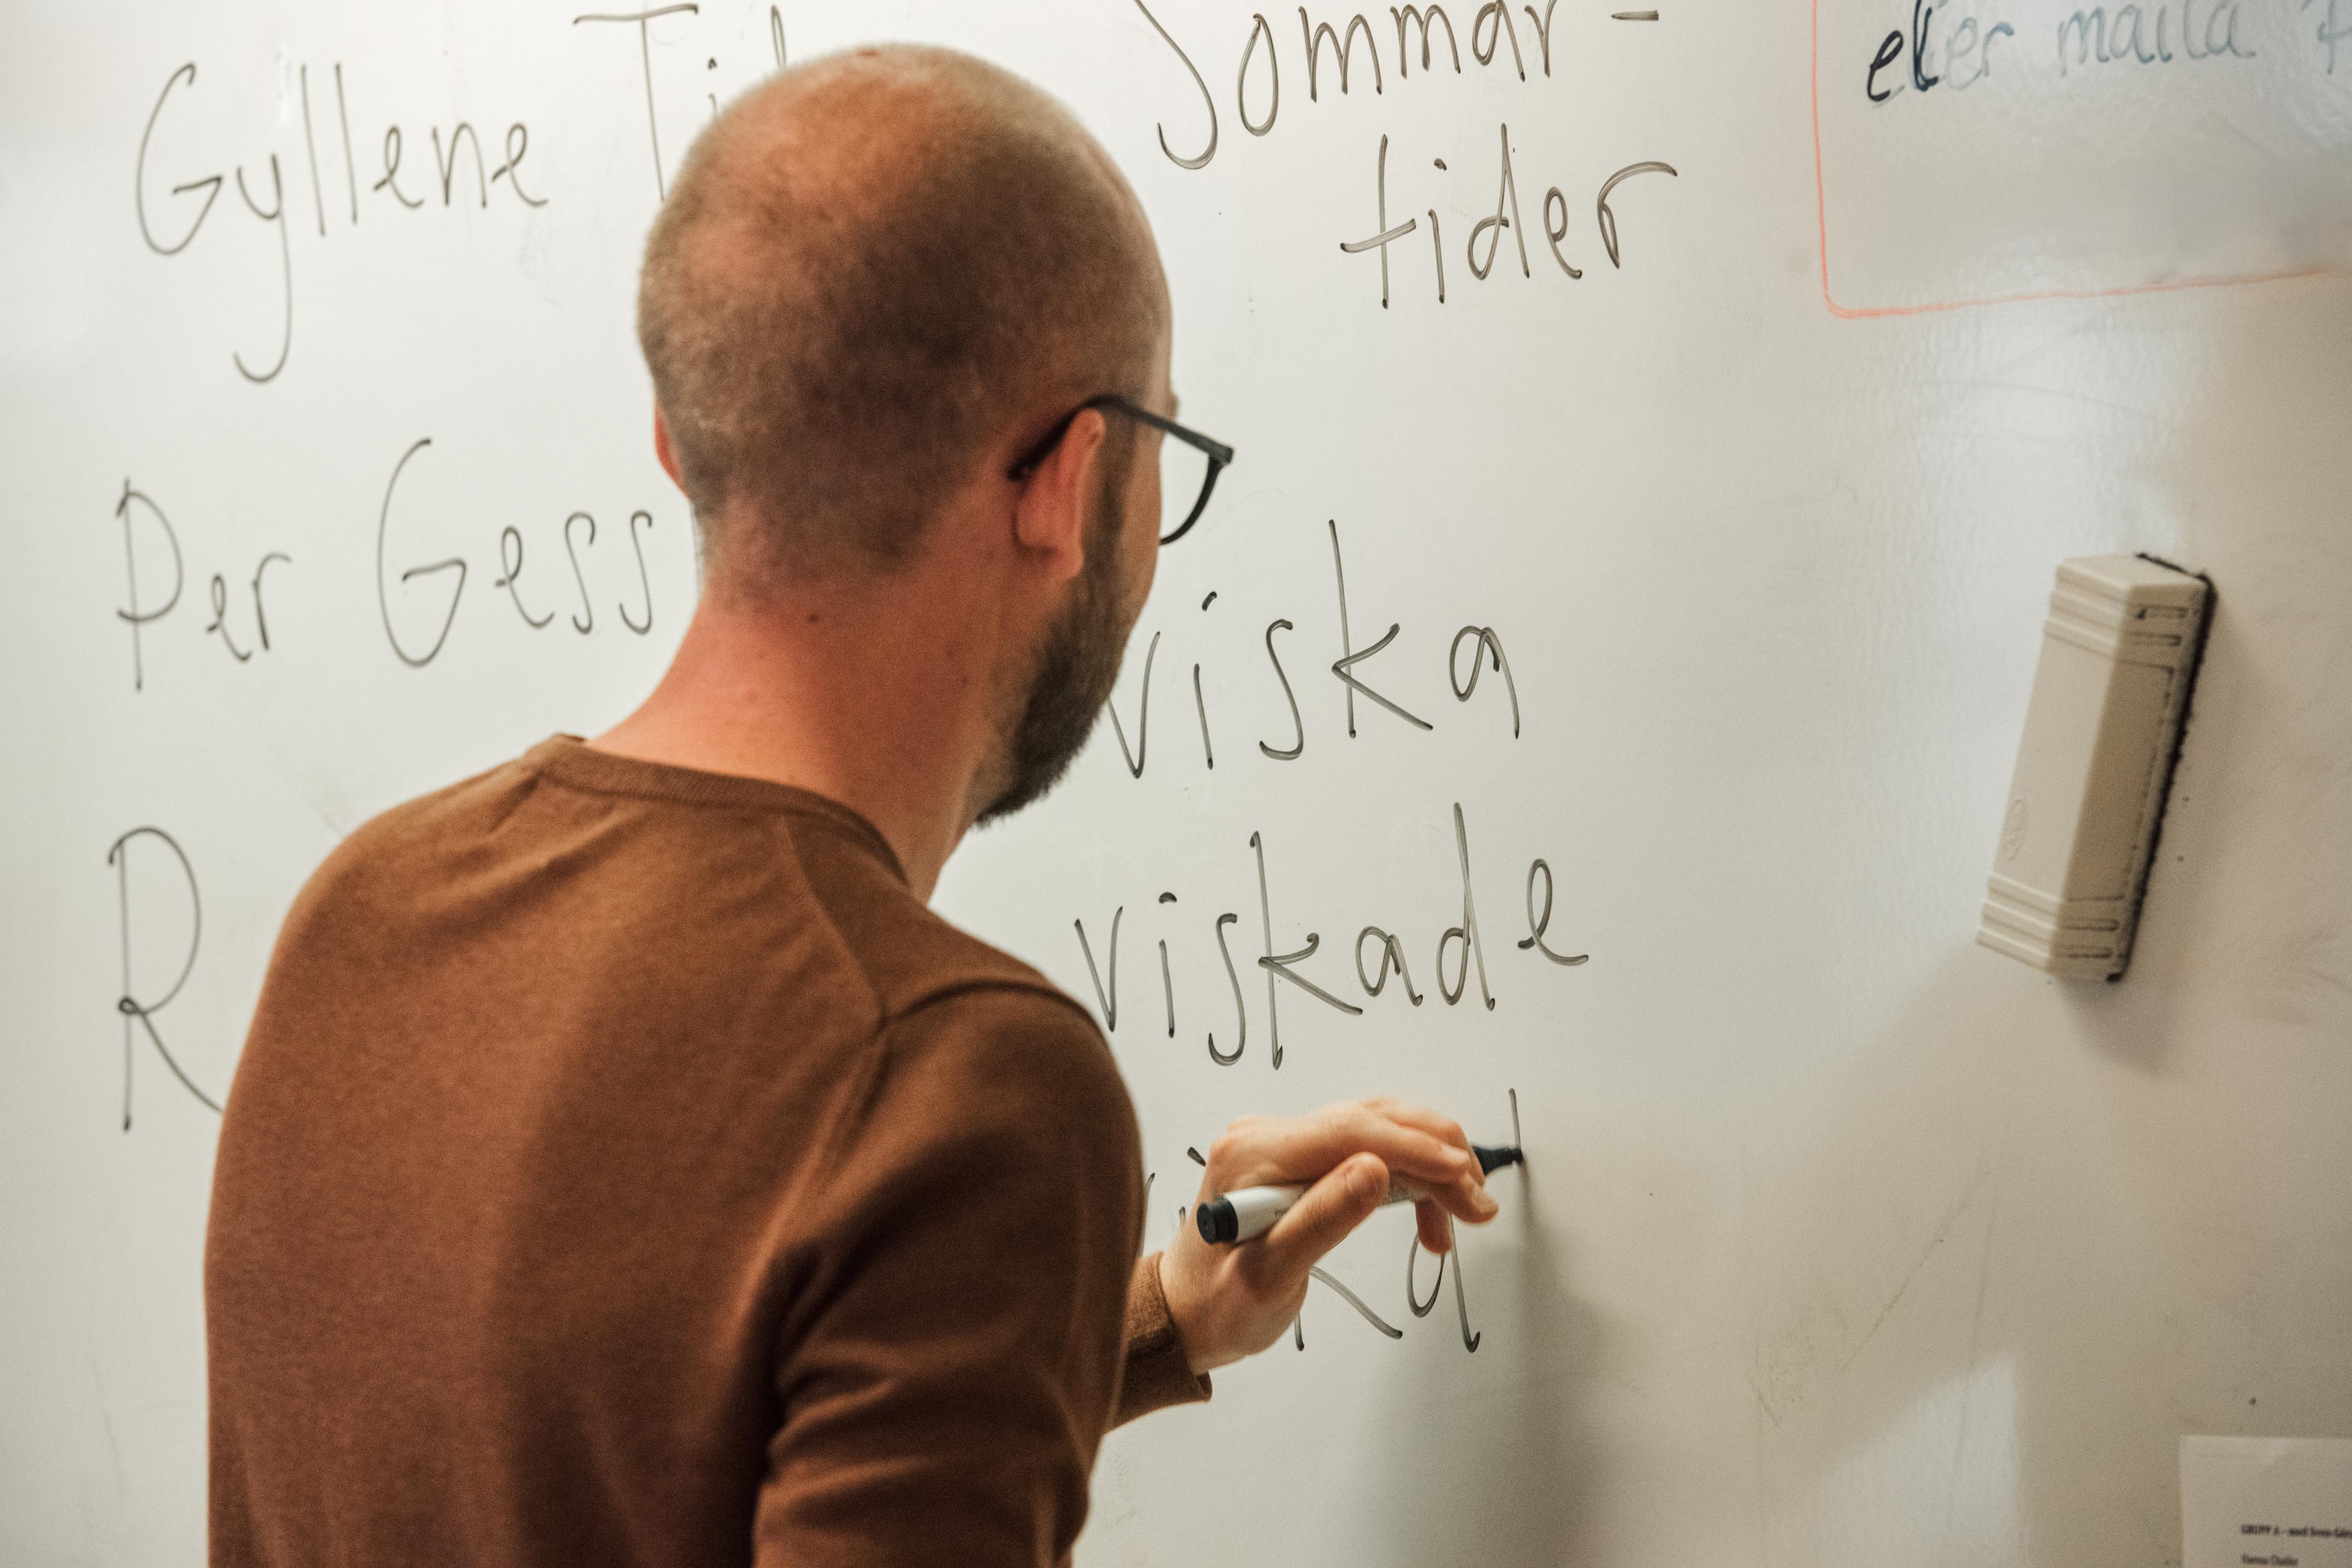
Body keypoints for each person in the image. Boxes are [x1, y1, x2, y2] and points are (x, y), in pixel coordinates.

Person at [205, 43, 1498, 1567]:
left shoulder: (368, 910)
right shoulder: (955, 1084)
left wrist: (1152, 1317)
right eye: (1159, 450)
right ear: (1067, 478)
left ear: (683, 442)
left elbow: (628, 1453)